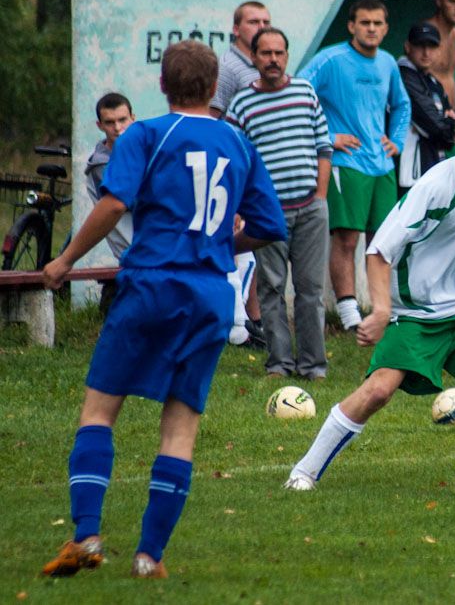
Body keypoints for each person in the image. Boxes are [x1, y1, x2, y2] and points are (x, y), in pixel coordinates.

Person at [40, 40, 286, 578]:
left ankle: (86, 536)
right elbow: (270, 226)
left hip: (152, 285)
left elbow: (113, 203)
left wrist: (64, 261)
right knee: (180, 429)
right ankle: (149, 558)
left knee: (100, 410)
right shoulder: (239, 143)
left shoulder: (147, 134)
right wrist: (220, 243)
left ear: (161, 85)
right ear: (215, 82)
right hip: (210, 297)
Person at [283, 94, 455, 499]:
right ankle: (304, 471)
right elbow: (378, 251)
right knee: (378, 392)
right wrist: (383, 308)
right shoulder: (433, 188)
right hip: (418, 313)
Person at [226, 27, 333, 379]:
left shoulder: (304, 92)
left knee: (310, 290)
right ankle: (279, 364)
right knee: (271, 289)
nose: (273, 59)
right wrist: (241, 208)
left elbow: (323, 146)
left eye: (279, 53)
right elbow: (235, 162)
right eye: (265, 53)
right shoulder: (241, 103)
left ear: (287, 56)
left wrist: (319, 196)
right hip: (268, 215)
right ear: (254, 57)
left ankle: (313, 365)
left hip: (310, 209)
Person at [299, 0, 411, 332]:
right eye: (365, 23)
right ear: (352, 26)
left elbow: (402, 106)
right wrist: (329, 137)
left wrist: (397, 141)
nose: (372, 29)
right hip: (346, 163)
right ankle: (348, 315)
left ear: (385, 28)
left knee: (384, 241)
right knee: (347, 239)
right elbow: (297, 95)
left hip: (382, 166)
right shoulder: (331, 59)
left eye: (378, 23)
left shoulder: (388, 62)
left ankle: (381, 308)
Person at [210, 0, 273, 345]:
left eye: (266, 20)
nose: (260, 26)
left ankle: (253, 320)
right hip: (237, 173)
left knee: (258, 247)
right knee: (242, 245)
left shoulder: (263, 63)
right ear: (237, 29)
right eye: (253, 21)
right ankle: (242, 322)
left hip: (261, 170)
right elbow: (213, 118)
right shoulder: (229, 67)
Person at [84, 92, 135, 315]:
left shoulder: (137, 152)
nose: (117, 127)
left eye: (122, 120)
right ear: (100, 125)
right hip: (133, 248)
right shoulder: (100, 165)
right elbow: (135, 202)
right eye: (110, 122)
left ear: (133, 118)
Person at [396, 21, 455, 195]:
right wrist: (448, 122)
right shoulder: (403, 76)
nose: (426, 52)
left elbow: (448, 133)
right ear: (408, 47)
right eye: (420, 46)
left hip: (430, 163)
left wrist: (448, 123)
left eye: (431, 46)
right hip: (408, 170)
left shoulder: (433, 82)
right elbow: (436, 126)